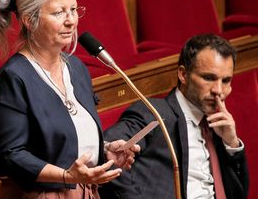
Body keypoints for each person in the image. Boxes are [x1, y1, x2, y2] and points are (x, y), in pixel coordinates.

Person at [0, 0, 140, 199]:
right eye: (59, 13)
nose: (71, 21)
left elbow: (66, 140)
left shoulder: (76, 68)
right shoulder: (14, 78)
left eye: (74, 10)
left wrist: (105, 151)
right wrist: (67, 177)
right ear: (29, 20)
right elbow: (11, 155)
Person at [100, 34, 249, 199]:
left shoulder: (218, 125)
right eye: (208, 78)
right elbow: (106, 154)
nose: (219, 90)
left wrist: (232, 144)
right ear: (183, 74)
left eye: (226, 81)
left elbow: (238, 194)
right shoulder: (154, 113)